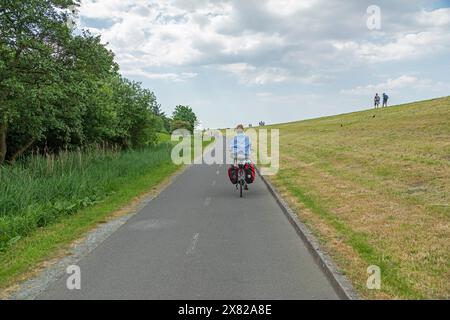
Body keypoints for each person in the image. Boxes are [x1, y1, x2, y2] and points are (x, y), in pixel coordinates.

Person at [230, 124, 252, 190]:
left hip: (236, 154)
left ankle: (235, 176)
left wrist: (231, 150)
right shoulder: (246, 136)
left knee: (234, 164)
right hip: (245, 154)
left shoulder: (235, 136)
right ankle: (247, 178)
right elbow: (250, 144)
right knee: (247, 164)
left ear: (237, 129)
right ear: (243, 129)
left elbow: (231, 145)